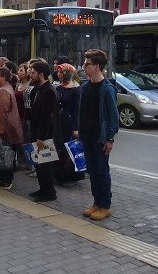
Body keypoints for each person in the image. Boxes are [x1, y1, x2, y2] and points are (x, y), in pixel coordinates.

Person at [78, 49, 119, 220]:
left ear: (97, 66)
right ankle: (96, 202)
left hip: (100, 137)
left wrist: (110, 138)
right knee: (92, 171)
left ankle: (105, 205)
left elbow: (113, 117)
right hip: (87, 136)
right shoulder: (85, 86)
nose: (83, 67)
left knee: (102, 171)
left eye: (87, 64)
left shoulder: (107, 88)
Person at [0, 67, 24, 189]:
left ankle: (5, 180)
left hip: (4, 130)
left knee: (4, 154)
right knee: (6, 153)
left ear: (3, 77)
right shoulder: (6, 88)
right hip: (7, 129)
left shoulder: (2, 92)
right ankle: (4, 179)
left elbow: (2, 112)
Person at [28, 61, 59, 202]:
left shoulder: (49, 91)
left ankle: (49, 192)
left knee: (45, 164)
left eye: (33, 72)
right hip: (37, 132)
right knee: (39, 163)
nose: (30, 74)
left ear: (41, 74)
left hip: (44, 135)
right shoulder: (39, 88)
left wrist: (41, 136)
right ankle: (42, 189)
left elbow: (48, 117)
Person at [55, 63, 84, 184]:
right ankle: (58, 173)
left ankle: (69, 174)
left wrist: (75, 128)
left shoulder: (76, 89)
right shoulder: (58, 87)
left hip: (69, 121)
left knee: (68, 148)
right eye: (58, 72)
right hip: (59, 121)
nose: (59, 74)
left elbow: (77, 110)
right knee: (59, 147)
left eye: (61, 72)